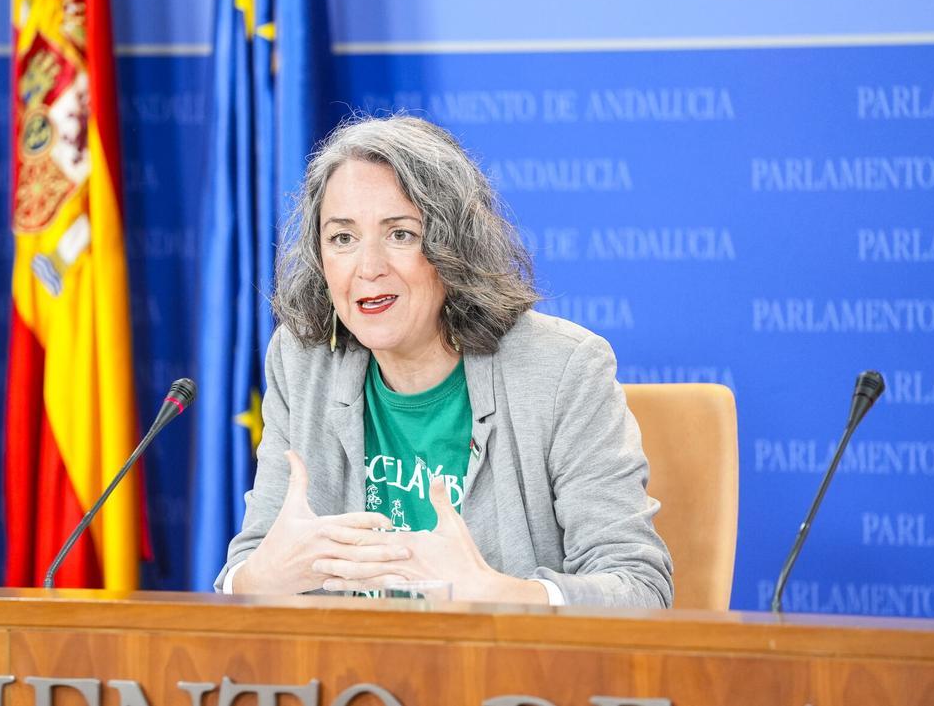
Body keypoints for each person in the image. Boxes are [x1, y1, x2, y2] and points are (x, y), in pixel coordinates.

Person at [215, 115, 672, 607]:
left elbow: (641, 590)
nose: (368, 269)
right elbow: (250, 564)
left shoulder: (564, 370)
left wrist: (501, 594)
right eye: (342, 238)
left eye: (401, 235)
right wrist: (258, 578)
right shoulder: (302, 361)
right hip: (351, 679)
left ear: (454, 247)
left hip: (504, 677)